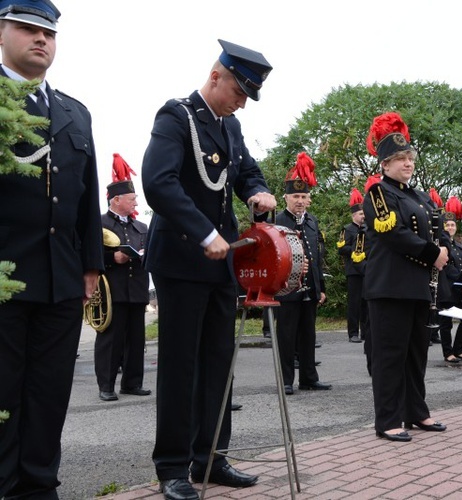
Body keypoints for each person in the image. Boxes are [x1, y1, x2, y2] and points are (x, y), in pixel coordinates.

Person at [141, 39, 276, 499]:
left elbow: (246, 173)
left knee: (220, 364)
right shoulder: (175, 117)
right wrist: (203, 232)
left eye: (247, 95)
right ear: (215, 76)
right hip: (182, 260)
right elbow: (158, 184)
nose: (242, 101)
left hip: (224, 264)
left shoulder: (232, 128)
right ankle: (174, 468)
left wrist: (258, 193)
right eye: (239, 90)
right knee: (181, 366)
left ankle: (212, 456)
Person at [0, 2, 104, 497]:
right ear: (1, 33)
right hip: (3, 277)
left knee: (48, 393)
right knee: (3, 393)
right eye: (26, 29)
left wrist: (89, 267)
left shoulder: (74, 112)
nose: (40, 40)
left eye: (48, 33)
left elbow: (86, 199)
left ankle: (39, 488)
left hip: (61, 279)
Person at [362, 112, 449, 442]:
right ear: (385, 164)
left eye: (409, 158)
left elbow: (436, 229)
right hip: (390, 287)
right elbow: (393, 234)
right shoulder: (379, 194)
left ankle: (417, 412)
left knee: (416, 353)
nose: (407, 164)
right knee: (390, 356)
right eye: (400, 159)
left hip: (417, 286)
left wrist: (442, 250)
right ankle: (387, 419)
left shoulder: (419, 196)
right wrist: (432, 253)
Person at [274, 152, 330, 396]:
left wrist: (321, 288)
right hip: (287, 289)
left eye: (303, 196)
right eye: (295, 196)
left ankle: (309, 378)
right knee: (286, 337)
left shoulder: (312, 222)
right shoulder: (277, 221)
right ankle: (286, 380)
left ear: (309, 199)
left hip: (310, 287)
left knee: (309, 335)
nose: (299, 200)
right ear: (285, 198)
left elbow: (317, 257)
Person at [95, 157, 151, 402]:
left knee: (136, 340)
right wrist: (111, 258)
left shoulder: (141, 226)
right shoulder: (99, 223)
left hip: (137, 288)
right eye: (132, 199)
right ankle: (106, 385)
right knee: (111, 340)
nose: (135, 202)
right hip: (113, 290)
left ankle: (132, 383)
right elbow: (90, 254)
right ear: (116, 200)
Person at [437, 195, 462, 363]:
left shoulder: (459, 245)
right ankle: (447, 352)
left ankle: (458, 349)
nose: (450, 227)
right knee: (446, 322)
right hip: (447, 286)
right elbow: (447, 266)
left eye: (452, 224)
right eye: (447, 225)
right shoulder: (441, 243)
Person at [337, 188, 367, 344]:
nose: (363, 216)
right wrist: (356, 250)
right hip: (353, 271)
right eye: (360, 214)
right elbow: (341, 248)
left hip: (366, 270)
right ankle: (353, 333)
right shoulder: (346, 230)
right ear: (354, 215)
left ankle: (365, 332)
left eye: (364, 213)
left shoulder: (368, 229)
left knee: (366, 303)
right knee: (354, 303)